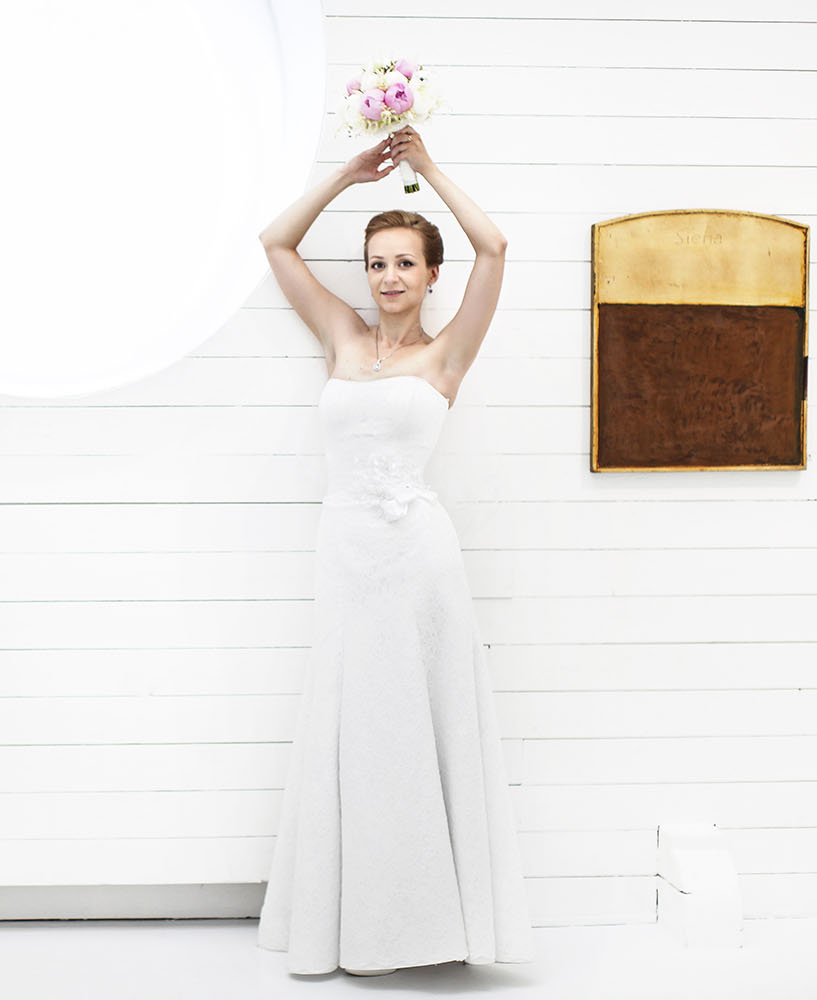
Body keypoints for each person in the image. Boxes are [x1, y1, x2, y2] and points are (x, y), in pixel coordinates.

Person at [255, 127, 532, 975]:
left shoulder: (446, 353)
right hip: (346, 555)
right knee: (355, 726)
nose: (389, 277)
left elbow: (495, 246)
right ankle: (353, 925)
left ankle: (435, 928)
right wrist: (347, 175)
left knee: (420, 726)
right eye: (377, 263)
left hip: (419, 561)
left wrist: (426, 169)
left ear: (431, 274)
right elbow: (276, 242)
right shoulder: (341, 335)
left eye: (406, 263)